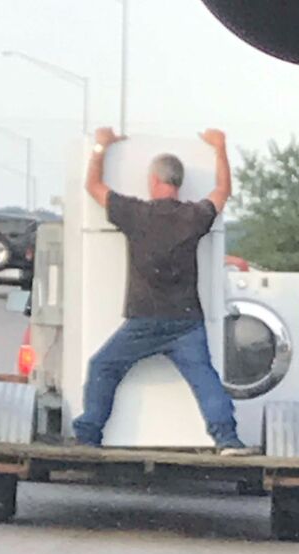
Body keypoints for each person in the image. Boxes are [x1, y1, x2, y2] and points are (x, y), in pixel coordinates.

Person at [72, 126, 255, 455]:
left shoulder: (136, 213)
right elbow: (223, 190)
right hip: (186, 320)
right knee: (205, 378)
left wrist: (101, 147)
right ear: (179, 183)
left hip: (143, 319)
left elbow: (93, 187)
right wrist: (220, 147)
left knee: (104, 366)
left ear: (154, 180)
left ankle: (88, 436)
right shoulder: (194, 216)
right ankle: (227, 439)